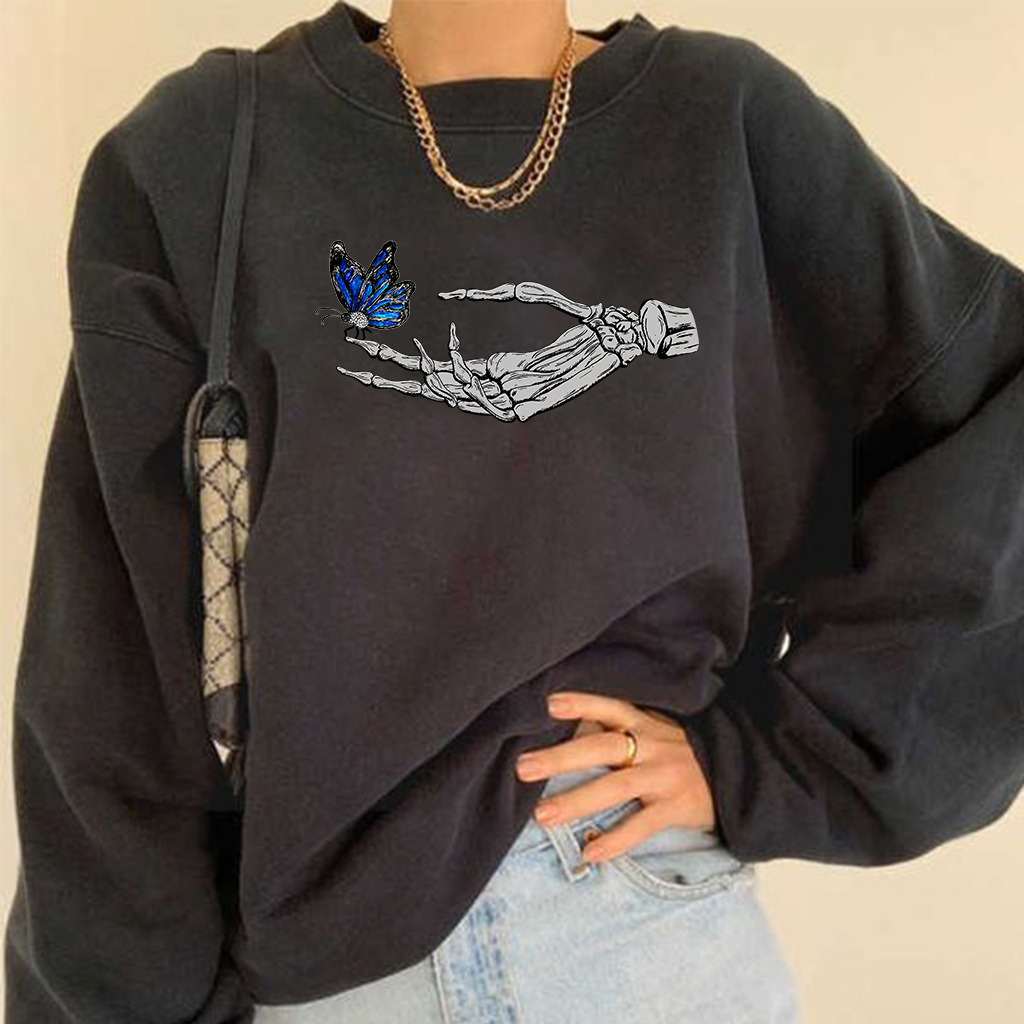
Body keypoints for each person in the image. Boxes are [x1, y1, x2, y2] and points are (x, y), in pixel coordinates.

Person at [5, 2, 1023, 1022]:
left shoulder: (725, 126)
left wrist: (776, 761)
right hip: (330, 966)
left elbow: (997, 408)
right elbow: (111, 667)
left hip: (639, 933)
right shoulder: (202, 153)